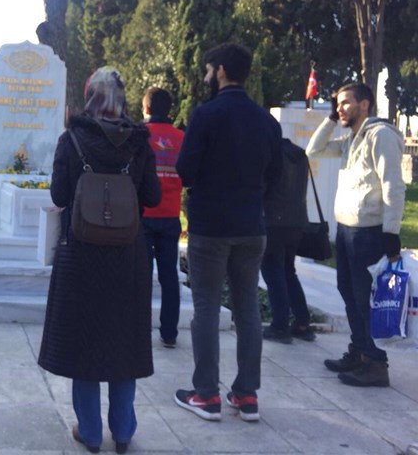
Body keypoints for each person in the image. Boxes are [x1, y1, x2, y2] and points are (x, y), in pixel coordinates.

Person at [38, 67, 161, 454]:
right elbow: (153, 196)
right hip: (127, 256)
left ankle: (90, 432)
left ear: (90, 95)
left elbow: (59, 194)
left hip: (82, 256)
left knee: (84, 343)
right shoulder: (139, 142)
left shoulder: (72, 139)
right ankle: (123, 431)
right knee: (124, 342)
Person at [174, 43, 282, 423]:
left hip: (211, 226)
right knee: (247, 307)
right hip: (251, 225)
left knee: (206, 306)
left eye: (208, 70)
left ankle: (206, 394)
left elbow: (184, 170)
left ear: (220, 70)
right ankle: (246, 394)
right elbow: (276, 176)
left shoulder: (206, 114)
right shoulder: (266, 121)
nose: (206, 76)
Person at [306, 82, 406, 387]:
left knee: (365, 298)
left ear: (364, 104)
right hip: (347, 230)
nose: (340, 108)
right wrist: (331, 118)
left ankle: (375, 364)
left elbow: (393, 185)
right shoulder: (350, 138)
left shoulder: (380, 135)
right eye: (337, 104)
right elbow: (313, 150)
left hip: (369, 233)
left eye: (346, 103)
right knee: (349, 293)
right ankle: (360, 351)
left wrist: (391, 231)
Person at [141, 87, 185, 348]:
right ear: (170, 109)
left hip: (144, 214)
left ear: (146, 108)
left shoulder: (140, 135)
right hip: (170, 214)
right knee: (169, 276)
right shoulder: (181, 137)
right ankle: (169, 332)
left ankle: (138, 328)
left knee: (142, 275)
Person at [260, 138, 315, 344]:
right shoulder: (298, 154)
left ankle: (280, 325)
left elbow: (264, 187)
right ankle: (302, 323)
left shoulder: (270, 154)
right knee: (288, 271)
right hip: (297, 221)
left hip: (273, 220)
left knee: (272, 271)